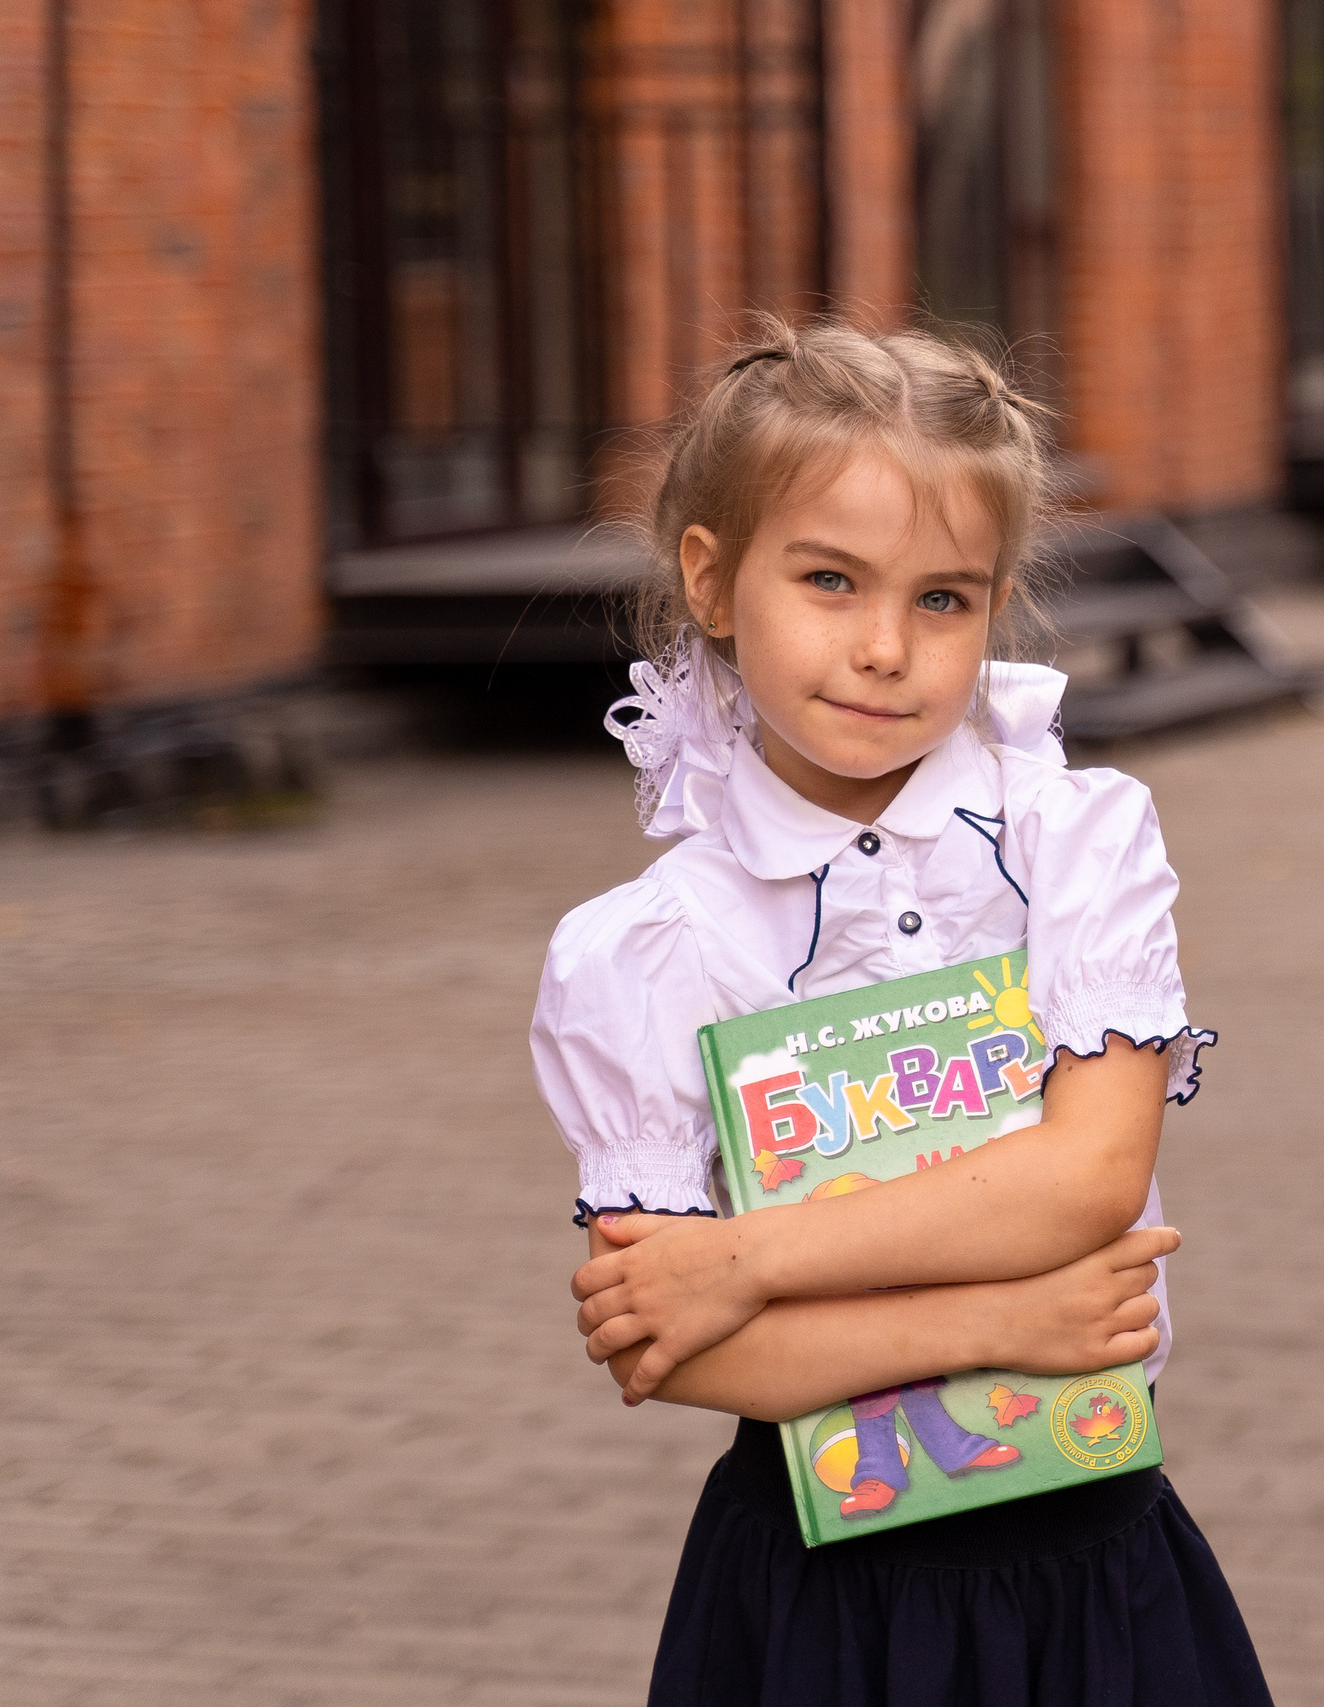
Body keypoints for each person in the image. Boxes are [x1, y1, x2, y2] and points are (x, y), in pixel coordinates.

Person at [529, 316, 1274, 1706]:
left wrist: (744, 1263)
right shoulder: (645, 949)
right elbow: (664, 1346)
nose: (885, 647)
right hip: (816, 1605)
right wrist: (1005, 1327)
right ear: (711, 577)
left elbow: (1088, 1176)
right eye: (829, 580)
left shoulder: (1075, 844)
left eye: (944, 598)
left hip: (1089, 1575)